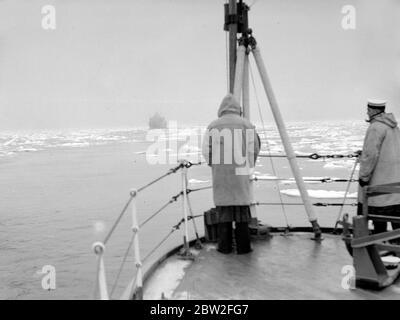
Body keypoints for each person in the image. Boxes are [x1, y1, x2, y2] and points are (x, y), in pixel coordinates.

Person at [202, 94, 261, 254]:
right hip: (241, 173)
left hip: (221, 174)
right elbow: (253, 149)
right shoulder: (247, 125)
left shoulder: (213, 126)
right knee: (242, 213)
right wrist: (249, 165)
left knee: (224, 213)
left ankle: (224, 247)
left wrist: (215, 165)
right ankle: (243, 247)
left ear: (221, 109)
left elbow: (206, 151)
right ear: (238, 109)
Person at [357, 99, 400, 233]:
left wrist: (364, 177)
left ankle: (379, 245)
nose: (367, 112)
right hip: (394, 182)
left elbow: (370, 155)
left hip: (379, 181)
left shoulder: (375, 127)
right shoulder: (394, 127)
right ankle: (395, 245)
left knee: (378, 217)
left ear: (374, 111)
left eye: (368, 110)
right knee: (396, 219)